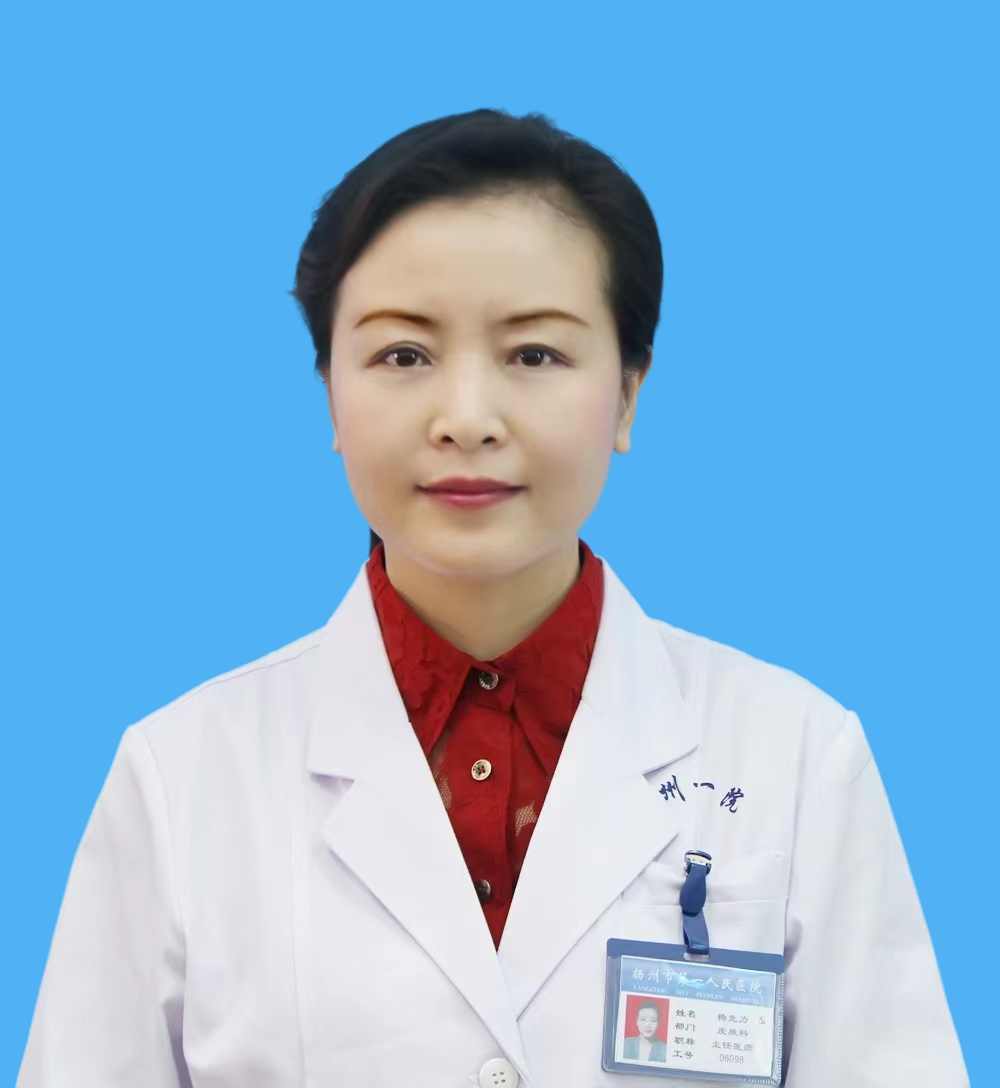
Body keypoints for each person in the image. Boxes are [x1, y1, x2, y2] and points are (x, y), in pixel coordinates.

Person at [17, 108, 968, 1088]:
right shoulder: (180, 777)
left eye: (533, 354)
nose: (466, 419)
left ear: (628, 392)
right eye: (403, 354)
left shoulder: (796, 756)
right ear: (330, 390)